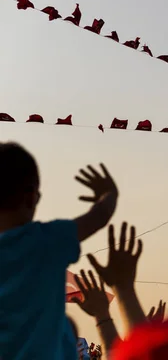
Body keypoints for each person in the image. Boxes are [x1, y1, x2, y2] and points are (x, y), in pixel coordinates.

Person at [0, 142, 118, 360]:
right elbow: (99, 216)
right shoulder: (47, 240)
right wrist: (109, 193)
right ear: (30, 196)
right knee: (68, 326)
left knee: (69, 325)